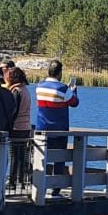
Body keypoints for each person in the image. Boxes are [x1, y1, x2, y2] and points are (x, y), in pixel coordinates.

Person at [34, 59, 79, 197]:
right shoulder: (63, 88)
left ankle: (40, 185)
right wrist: (74, 91)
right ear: (59, 73)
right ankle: (56, 189)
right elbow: (74, 103)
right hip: (59, 129)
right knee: (59, 159)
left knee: (42, 157)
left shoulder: (39, 86)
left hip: (42, 128)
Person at [5, 66, 32, 190]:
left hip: (16, 127)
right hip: (25, 126)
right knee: (22, 155)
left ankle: (11, 181)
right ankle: (21, 180)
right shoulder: (25, 90)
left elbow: (14, 111)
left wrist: (8, 124)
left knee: (14, 155)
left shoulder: (16, 91)